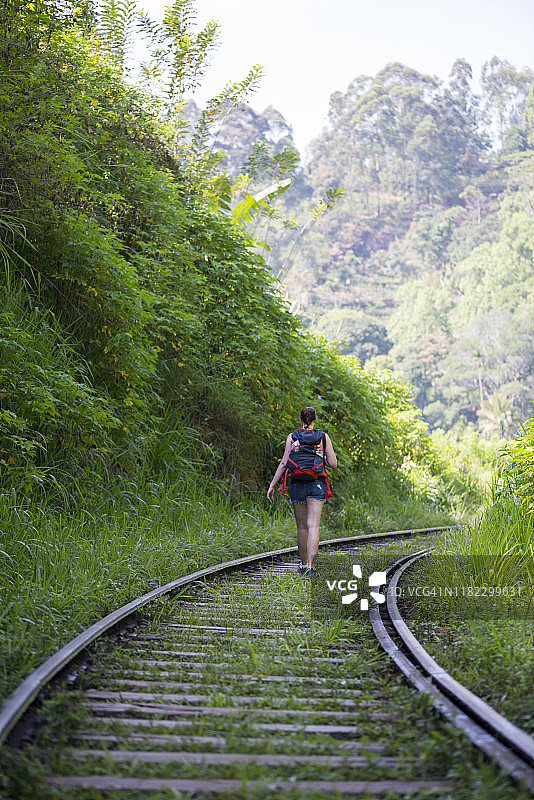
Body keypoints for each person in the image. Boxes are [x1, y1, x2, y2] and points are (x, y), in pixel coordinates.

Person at [267, 406, 337, 575]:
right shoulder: (323, 437)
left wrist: (272, 485)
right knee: (313, 526)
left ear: (300, 420)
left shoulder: (292, 437)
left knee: (301, 527)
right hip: (317, 482)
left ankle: (303, 564)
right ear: (315, 420)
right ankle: (312, 567)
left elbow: (284, 463)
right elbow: (333, 464)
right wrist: (323, 459)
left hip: (297, 483)